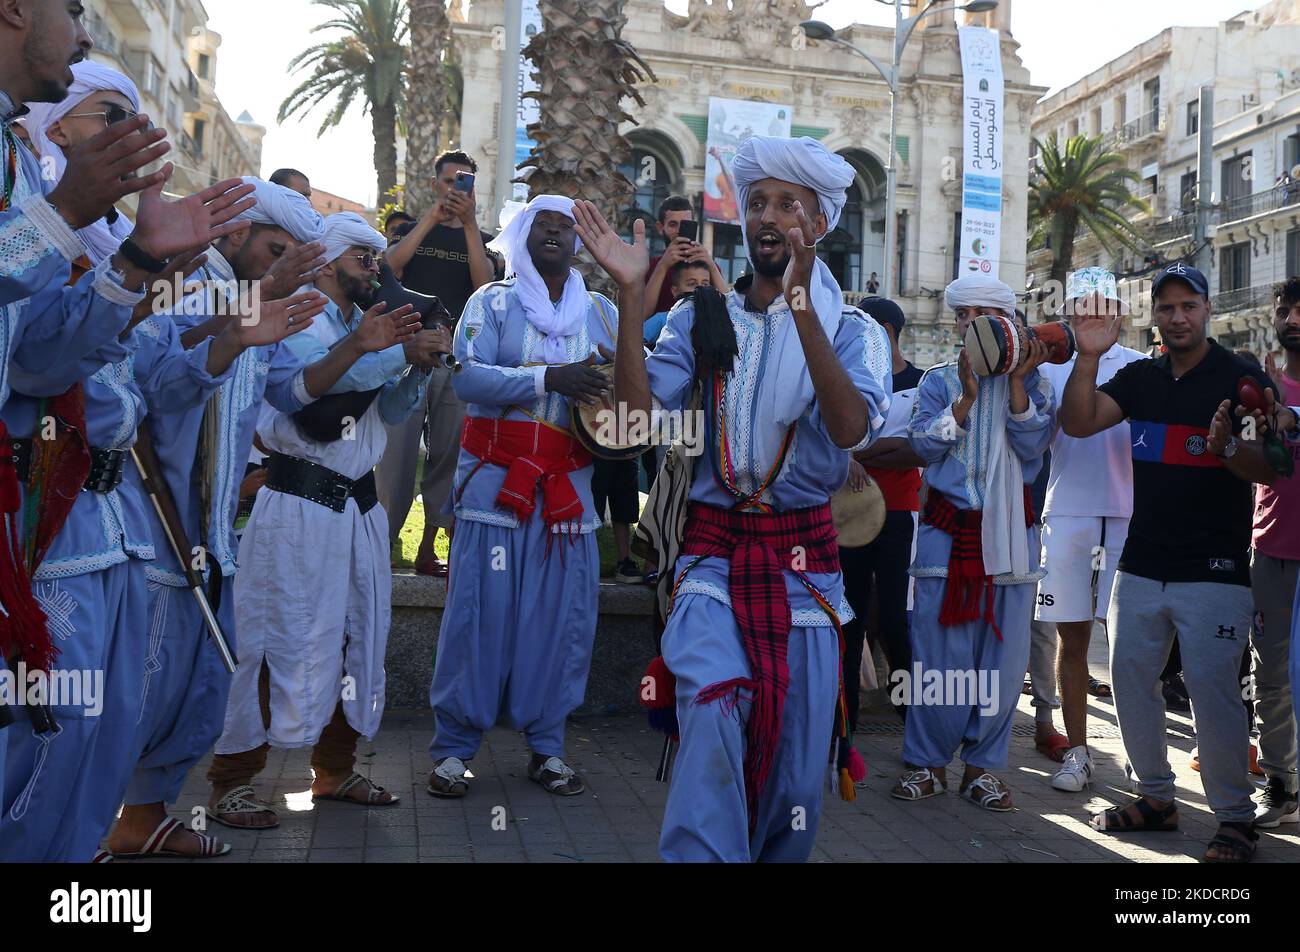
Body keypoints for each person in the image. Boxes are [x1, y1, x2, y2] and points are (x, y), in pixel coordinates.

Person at [0, 178, 317, 864]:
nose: (275, 262)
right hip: (80, 522)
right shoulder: (65, 258)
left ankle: (104, 837)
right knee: (63, 716)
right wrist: (157, 283)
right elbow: (50, 368)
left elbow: (181, 386)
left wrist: (241, 330)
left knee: (133, 711)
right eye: (272, 247)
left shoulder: (143, 266)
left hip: (146, 532)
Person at [103, 179, 422, 858]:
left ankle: (147, 814)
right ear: (233, 234)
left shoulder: (282, 306)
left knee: (224, 667)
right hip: (158, 517)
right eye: (275, 249)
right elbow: (160, 378)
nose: (283, 264)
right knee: (209, 662)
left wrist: (377, 355)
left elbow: (296, 390)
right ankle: (190, 795)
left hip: (222, 525)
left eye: (293, 253)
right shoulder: (191, 288)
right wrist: (250, 320)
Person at [594, 135, 891, 862]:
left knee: (794, 779)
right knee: (713, 716)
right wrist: (633, 299)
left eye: (788, 203)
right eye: (757, 201)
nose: (768, 215)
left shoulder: (855, 332)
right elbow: (630, 424)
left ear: (818, 227)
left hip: (807, 573)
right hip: (713, 560)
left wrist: (803, 312)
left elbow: (850, 427)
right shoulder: (701, 320)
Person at [206, 212, 447, 829]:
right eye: (363, 258)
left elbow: (387, 410)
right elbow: (312, 399)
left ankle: (334, 770)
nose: (375, 269)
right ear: (329, 260)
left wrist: (413, 366)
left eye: (377, 258)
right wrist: (390, 352)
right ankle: (233, 779)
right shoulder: (298, 316)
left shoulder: (361, 325)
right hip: (298, 505)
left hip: (360, 508)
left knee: (356, 637)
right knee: (270, 638)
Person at [1060, 262, 1291, 863]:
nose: (1178, 317)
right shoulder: (1140, 377)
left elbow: (1266, 469)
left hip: (1213, 571)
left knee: (1213, 691)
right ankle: (1157, 799)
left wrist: (1226, 449)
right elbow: (1079, 422)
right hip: (1140, 564)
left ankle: (1236, 819)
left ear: (1207, 309)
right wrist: (1087, 356)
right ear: (1154, 316)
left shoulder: (1238, 378)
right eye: (1166, 308)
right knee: (1130, 680)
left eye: (1188, 305)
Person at [425, 195, 620, 799]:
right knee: (478, 613)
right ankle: (453, 751)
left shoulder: (603, 313)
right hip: (495, 487)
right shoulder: (492, 302)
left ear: (579, 242)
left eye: (566, 227)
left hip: (568, 497)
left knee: (561, 621)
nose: (556, 234)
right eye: (544, 225)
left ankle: (549, 748)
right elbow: (465, 375)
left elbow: (632, 383)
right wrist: (547, 378)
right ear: (522, 235)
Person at [893, 273, 1054, 814]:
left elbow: (1033, 449)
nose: (969, 324)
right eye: (962, 316)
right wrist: (964, 399)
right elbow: (920, 446)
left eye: (982, 315)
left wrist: (1014, 387)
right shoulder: (938, 382)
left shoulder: (1034, 385)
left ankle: (982, 771)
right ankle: (928, 765)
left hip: (1011, 541)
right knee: (939, 659)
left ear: (1009, 322)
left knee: (1003, 663)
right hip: (947, 536)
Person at [1034, 268, 1146, 792]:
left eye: (1101, 307)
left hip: (1128, 516)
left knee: (1127, 643)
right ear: (1069, 313)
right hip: (1069, 513)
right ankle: (1077, 753)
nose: (1091, 316)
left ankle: (1140, 753)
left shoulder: (1144, 367)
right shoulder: (1052, 370)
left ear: (1118, 314)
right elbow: (1031, 439)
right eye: (1081, 307)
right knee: (1072, 636)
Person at [379, 150, 496, 576]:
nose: (455, 190)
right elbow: (388, 268)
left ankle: (429, 547)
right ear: (435, 184)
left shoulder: (479, 239)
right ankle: (382, 546)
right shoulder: (411, 230)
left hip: (456, 359)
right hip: (405, 355)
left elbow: (485, 287)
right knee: (395, 457)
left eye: (463, 183)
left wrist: (468, 225)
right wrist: (430, 220)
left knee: (448, 455)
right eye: (449, 182)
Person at [842, 296, 925, 722]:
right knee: (849, 613)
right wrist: (849, 453)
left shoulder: (922, 383)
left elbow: (918, 450)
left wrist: (858, 453)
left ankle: (910, 715)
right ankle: (845, 719)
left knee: (897, 616)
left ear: (886, 333)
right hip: (849, 517)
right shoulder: (848, 382)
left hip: (900, 513)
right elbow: (835, 442)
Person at [1249, 277, 1300, 827]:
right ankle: (1282, 786)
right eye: (1286, 310)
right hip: (1272, 550)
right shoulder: (1259, 386)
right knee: (1272, 677)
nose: (1294, 319)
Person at [642, 195, 728, 320]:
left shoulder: (707, 265)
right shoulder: (650, 267)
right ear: (660, 228)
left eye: (684, 224)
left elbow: (729, 310)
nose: (679, 230)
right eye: (673, 224)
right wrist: (663, 266)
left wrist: (711, 266)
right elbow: (642, 314)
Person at [644, 259, 712, 347]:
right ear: (675, 291)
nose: (700, 288)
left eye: (705, 284)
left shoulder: (716, 320)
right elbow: (633, 343)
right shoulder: (662, 320)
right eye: (692, 284)